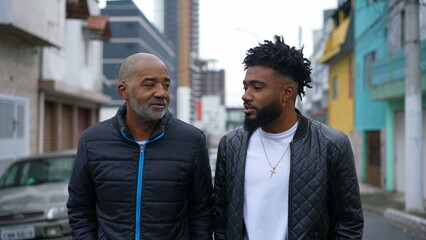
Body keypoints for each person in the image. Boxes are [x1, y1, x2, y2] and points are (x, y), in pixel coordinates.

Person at [213, 36, 363, 240]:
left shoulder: (331, 145)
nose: (246, 95)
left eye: (257, 88)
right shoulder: (231, 145)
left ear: (287, 92)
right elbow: (220, 218)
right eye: (245, 87)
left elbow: (349, 223)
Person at [67, 53, 213, 240]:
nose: (161, 93)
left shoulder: (192, 141)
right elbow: (80, 207)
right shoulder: (93, 140)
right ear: (123, 91)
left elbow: (202, 212)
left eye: (166, 85)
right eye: (149, 84)